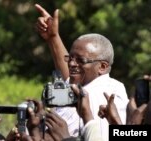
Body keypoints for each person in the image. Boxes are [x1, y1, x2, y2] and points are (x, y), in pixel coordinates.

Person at [35, 3, 129, 141]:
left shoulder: (104, 95)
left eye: (81, 60)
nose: (72, 64)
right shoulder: (85, 85)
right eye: (70, 58)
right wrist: (52, 37)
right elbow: (70, 77)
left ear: (102, 67)